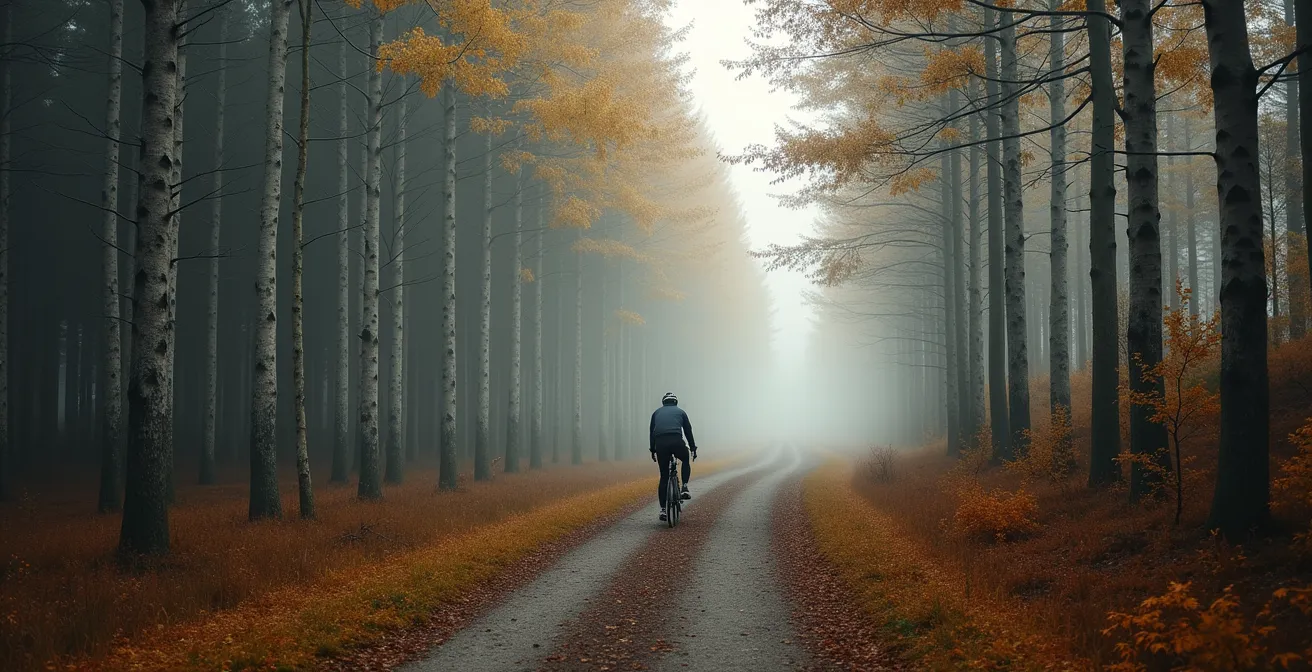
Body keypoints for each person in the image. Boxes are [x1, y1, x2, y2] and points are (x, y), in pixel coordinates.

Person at [650, 391, 697, 521]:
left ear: (663, 402)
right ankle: (685, 487)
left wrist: (652, 450)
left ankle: (663, 510)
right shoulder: (681, 412)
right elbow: (688, 431)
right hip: (676, 441)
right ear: (675, 402)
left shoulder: (656, 413)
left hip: (661, 444)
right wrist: (693, 448)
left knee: (664, 476)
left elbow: (652, 433)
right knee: (685, 458)